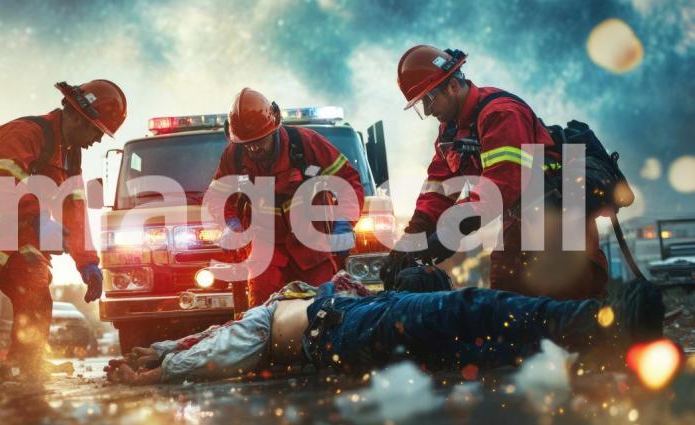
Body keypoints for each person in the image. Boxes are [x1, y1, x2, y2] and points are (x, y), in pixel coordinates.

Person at [104, 271, 663, 385]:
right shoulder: (259, 319)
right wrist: (162, 371)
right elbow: (220, 349)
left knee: (474, 346)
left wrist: (162, 353)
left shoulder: (269, 309)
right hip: (343, 329)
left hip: (354, 323)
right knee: (469, 310)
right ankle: (602, 324)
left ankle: (593, 342)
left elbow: (200, 342)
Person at [0, 80, 127, 378]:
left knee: (36, 293)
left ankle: (26, 364)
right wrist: (36, 220)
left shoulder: (70, 156)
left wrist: (87, 262)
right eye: (96, 131)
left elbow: (73, 210)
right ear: (78, 117)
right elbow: (0, 180)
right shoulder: (24, 133)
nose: (97, 140)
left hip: (18, 234)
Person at [385, 45, 609, 299]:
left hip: (560, 220)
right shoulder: (451, 131)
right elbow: (438, 188)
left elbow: (502, 185)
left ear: (453, 86)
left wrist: (449, 232)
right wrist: (410, 240)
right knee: (508, 301)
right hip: (520, 220)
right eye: (420, 105)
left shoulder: (502, 114)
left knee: (571, 304)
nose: (427, 111)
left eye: (428, 99)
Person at [208, 87, 365, 307]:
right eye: (247, 144)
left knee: (323, 310)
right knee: (262, 314)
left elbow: (347, 180)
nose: (253, 149)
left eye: (259, 141)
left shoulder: (306, 143)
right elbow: (217, 198)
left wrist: (344, 221)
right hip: (265, 254)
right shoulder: (234, 155)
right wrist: (230, 224)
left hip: (313, 249)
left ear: (274, 129)